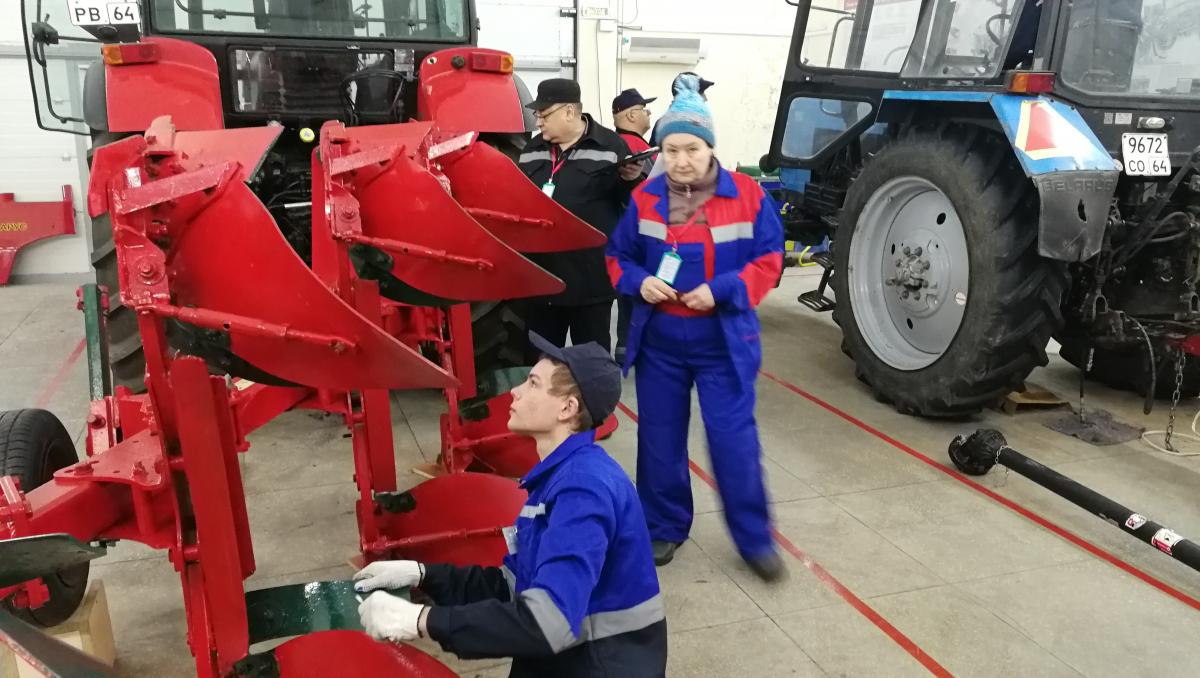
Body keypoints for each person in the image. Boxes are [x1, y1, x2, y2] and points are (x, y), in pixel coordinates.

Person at [354, 332, 667, 677]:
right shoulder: (556, 477)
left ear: (568, 408)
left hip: (597, 666)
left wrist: (422, 621)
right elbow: (513, 584)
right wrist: (424, 575)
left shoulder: (583, 490)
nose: (515, 392)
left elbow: (548, 623)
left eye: (533, 383)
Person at [605, 74, 787, 581]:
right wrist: (639, 281)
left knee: (733, 441)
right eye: (670, 148)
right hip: (661, 343)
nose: (681, 159)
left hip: (722, 343)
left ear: (711, 147)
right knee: (659, 440)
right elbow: (617, 256)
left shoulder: (747, 196)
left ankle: (754, 539)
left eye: (692, 148)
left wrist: (726, 288)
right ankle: (662, 525)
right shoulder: (645, 200)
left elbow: (771, 259)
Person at [517, 78, 644, 359]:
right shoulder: (531, 151)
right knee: (539, 366)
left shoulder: (611, 147)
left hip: (591, 284)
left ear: (569, 112)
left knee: (593, 366)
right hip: (543, 282)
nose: (538, 122)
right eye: (537, 114)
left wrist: (631, 181)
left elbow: (632, 205)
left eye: (544, 114)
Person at [610, 87, 657, 364]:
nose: (649, 113)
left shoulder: (610, 144)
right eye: (644, 108)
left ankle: (626, 348)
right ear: (631, 114)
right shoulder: (639, 149)